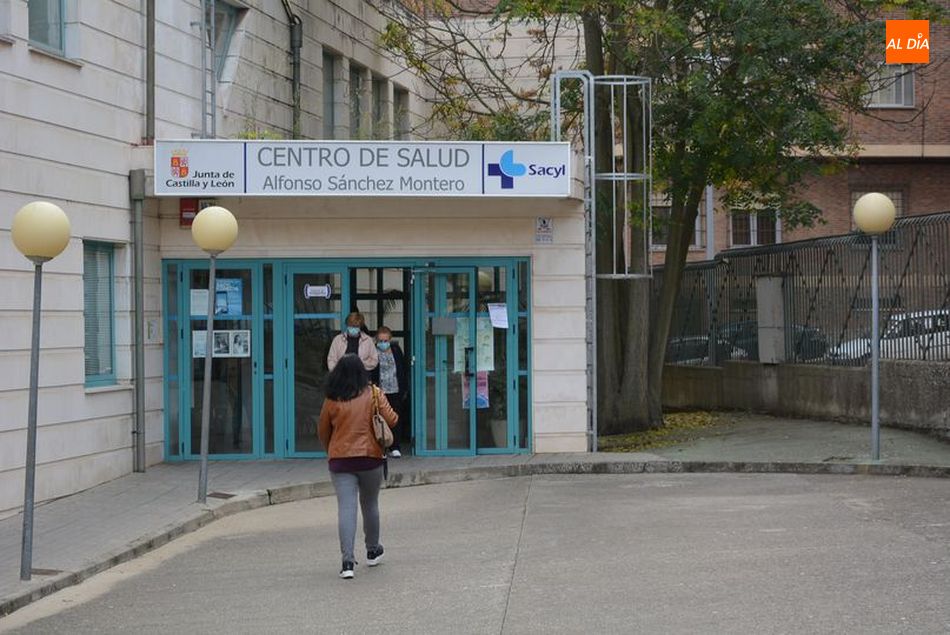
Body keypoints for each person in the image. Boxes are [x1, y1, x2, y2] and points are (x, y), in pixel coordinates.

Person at [318, 354, 398, 579]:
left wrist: (332, 450)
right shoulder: (373, 393)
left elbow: (323, 431)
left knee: (346, 508)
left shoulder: (332, 398)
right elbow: (392, 420)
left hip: (340, 460)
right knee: (370, 504)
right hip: (370, 458)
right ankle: (372, 550)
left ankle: (347, 562)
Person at [371, 326, 410, 458]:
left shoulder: (396, 350)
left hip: (395, 390)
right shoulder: (373, 352)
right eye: (380, 340)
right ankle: (381, 448)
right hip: (379, 391)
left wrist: (404, 389)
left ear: (390, 339)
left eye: (385, 340)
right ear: (376, 340)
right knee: (379, 420)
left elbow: (403, 369)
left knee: (394, 419)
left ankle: (395, 446)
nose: (383, 343)